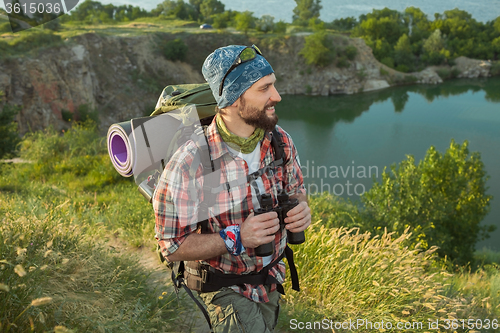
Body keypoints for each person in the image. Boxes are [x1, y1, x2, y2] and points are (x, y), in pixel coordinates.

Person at [153, 44, 311, 332]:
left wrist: (302, 208)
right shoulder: (192, 161)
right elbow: (170, 246)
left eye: (273, 85)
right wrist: (236, 237)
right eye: (264, 89)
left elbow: (298, 190)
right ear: (235, 100)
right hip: (225, 288)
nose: (277, 96)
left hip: (273, 278)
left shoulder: (279, 141)